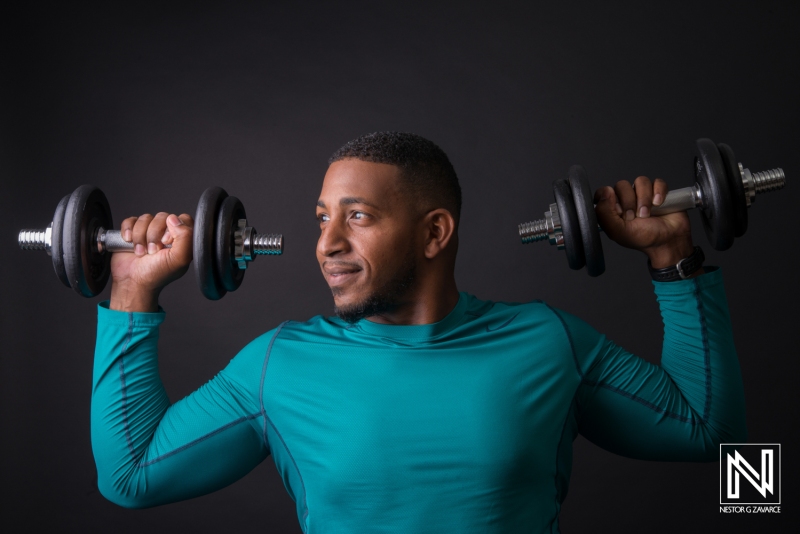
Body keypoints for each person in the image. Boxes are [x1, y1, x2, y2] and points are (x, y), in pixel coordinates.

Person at [92, 132, 746, 533]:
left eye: (358, 217)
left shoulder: (546, 342)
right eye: (322, 219)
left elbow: (706, 432)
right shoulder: (279, 365)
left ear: (435, 232)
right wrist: (132, 290)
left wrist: (673, 258)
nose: (328, 245)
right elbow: (133, 475)